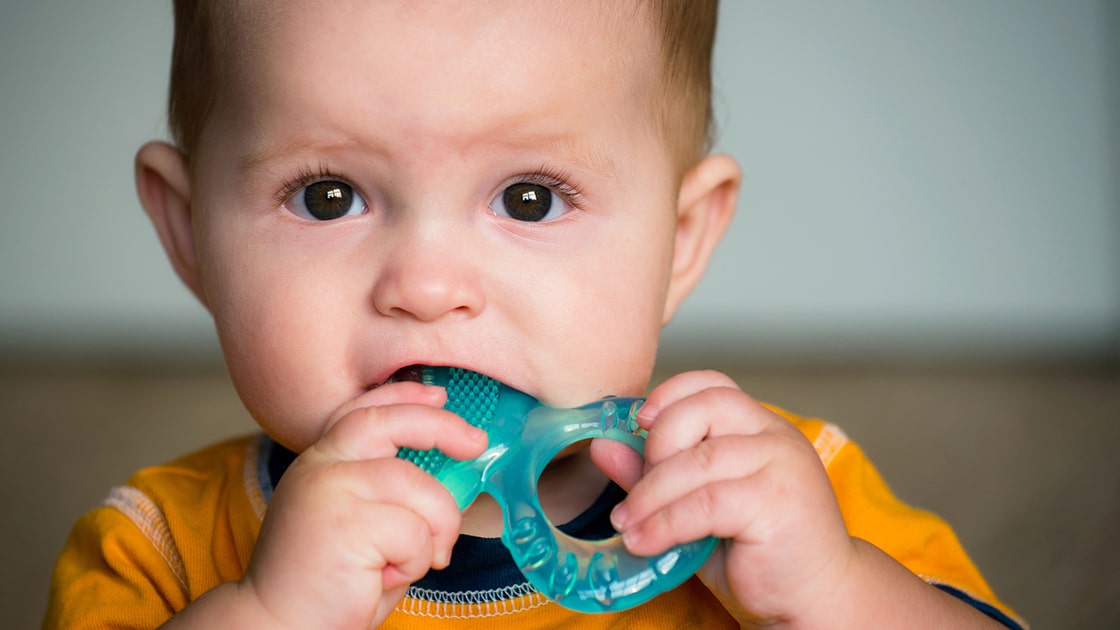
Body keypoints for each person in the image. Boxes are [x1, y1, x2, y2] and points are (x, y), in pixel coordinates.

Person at [45, 1, 1025, 628]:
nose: (429, 289)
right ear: (189, 235)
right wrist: (270, 611)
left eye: (528, 199)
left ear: (679, 241)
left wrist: (833, 594)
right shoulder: (162, 547)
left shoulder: (779, 501)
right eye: (329, 196)